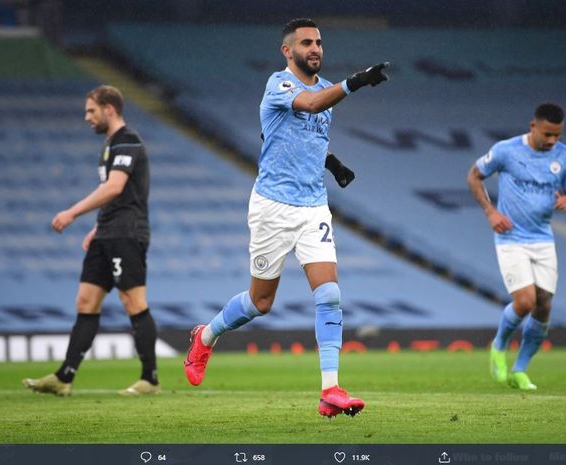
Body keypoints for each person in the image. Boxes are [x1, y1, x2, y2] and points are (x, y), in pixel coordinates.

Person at [183, 18, 389, 417]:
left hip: (313, 206)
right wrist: (356, 82)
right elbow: (309, 105)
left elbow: (301, 136)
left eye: (319, 42)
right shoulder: (279, 84)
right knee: (261, 302)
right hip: (272, 207)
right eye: (307, 43)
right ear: (287, 50)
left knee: (329, 294)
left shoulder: (324, 90)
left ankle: (330, 390)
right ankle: (204, 336)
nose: (315, 48)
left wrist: (333, 164)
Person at [23, 85, 159, 397]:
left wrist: (72, 213)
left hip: (128, 233)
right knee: (85, 301)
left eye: (91, 111)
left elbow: (115, 188)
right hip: (108, 231)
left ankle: (150, 379)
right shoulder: (110, 145)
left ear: (109, 109)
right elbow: (118, 194)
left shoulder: (127, 141)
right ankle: (64, 377)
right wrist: (98, 228)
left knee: (133, 301)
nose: (87, 117)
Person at [467, 102, 566, 390]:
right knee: (526, 301)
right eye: (547, 134)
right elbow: (474, 176)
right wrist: (491, 212)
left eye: (557, 135)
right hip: (511, 237)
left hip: (543, 238)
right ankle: (499, 346)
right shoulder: (506, 151)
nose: (552, 141)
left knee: (544, 306)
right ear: (533, 127)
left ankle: (520, 369)